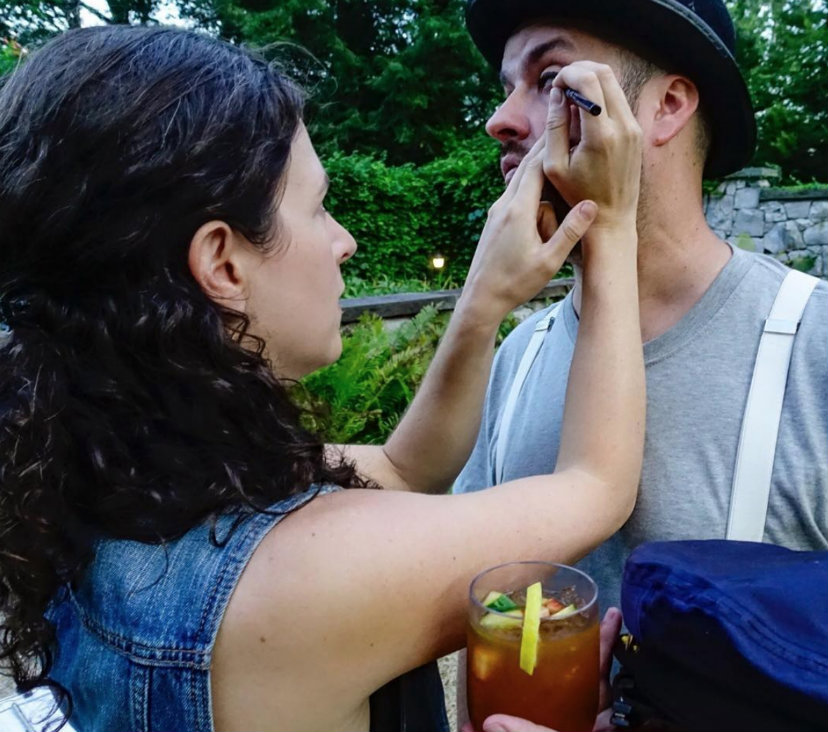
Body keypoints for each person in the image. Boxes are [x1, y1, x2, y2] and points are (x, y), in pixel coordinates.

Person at [0, 25, 645, 732]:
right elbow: (595, 486)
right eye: (317, 207)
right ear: (222, 264)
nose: (346, 241)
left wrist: (482, 301)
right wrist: (611, 226)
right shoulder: (302, 577)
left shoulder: (114, 476)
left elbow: (405, 468)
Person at [454, 0, 827, 726]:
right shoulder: (518, 357)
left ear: (667, 106)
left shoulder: (816, 345)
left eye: (550, 79)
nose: (500, 119)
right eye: (505, 87)